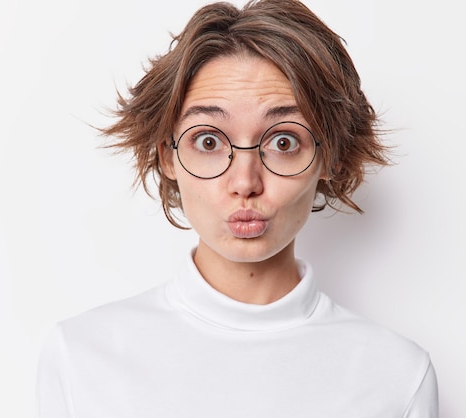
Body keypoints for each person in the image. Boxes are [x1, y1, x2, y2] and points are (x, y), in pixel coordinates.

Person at [36, 0, 439, 417]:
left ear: (330, 158)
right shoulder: (81, 356)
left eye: (283, 142)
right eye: (209, 141)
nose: (245, 183)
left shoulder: (396, 375)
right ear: (168, 156)